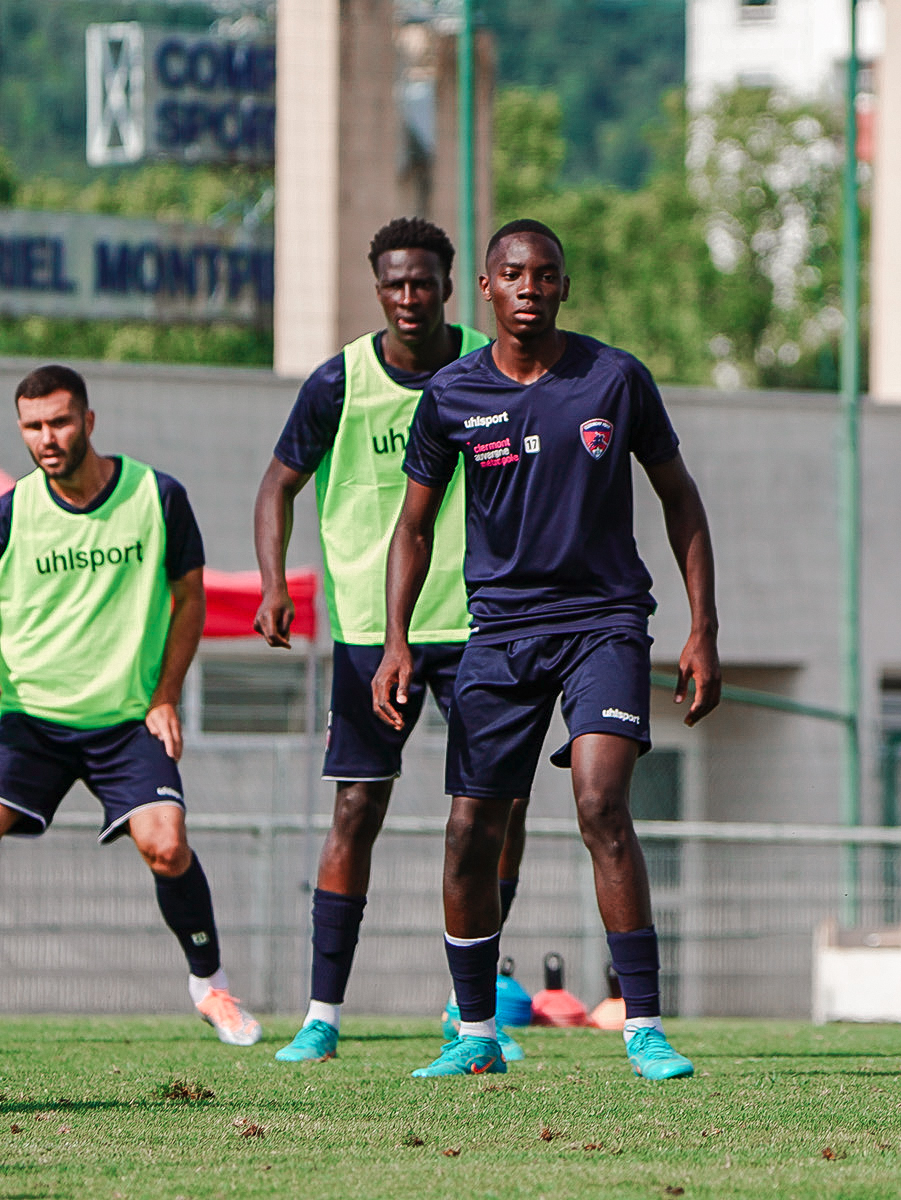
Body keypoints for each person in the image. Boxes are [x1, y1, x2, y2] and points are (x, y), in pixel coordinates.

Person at [374, 218, 721, 1079]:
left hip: (604, 623)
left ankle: (642, 1026)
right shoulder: (450, 395)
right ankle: (478, 1035)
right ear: (486, 289)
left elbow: (681, 500)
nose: (530, 287)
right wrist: (395, 642)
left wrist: (702, 628)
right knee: (469, 832)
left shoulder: (614, 379)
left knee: (601, 804)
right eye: (514, 274)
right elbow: (412, 530)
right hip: (498, 635)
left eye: (547, 274)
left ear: (566, 287)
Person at [253, 217, 528, 1064]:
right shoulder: (339, 380)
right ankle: (322, 1014)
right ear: (378, 288)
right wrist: (273, 582)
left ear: (452, 285)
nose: (408, 297)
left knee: (497, 817)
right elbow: (278, 485)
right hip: (377, 632)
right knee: (356, 808)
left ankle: (466, 1010)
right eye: (393, 284)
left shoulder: (498, 367)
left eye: (423, 282)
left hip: (486, 622)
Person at [0, 365, 260, 1047]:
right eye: (32, 426)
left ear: (88, 421)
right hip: (27, 717)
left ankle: (211, 986)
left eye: (59, 422)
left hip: (127, 719)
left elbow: (190, 598)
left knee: (166, 846)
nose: (47, 438)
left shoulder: (157, 494)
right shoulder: (12, 512)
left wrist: (166, 694)